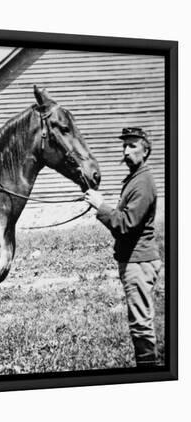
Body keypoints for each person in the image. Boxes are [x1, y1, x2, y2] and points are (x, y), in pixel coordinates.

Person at [84, 127, 162, 368]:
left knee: (141, 325)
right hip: (134, 260)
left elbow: (126, 224)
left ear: (145, 151)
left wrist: (101, 206)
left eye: (132, 146)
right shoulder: (136, 179)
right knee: (140, 322)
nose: (126, 151)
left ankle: (151, 374)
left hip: (138, 262)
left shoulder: (143, 183)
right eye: (124, 146)